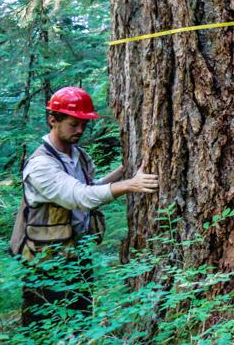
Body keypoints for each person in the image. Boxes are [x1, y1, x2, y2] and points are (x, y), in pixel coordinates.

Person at [10, 86, 159, 327]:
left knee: (80, 323)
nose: (80, 130)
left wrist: (123, 173)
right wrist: (130, 185)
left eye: (84, 124)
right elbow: (79, 197)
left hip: (76, 256)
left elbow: (90, 188)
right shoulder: (41, 165)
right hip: (46, 263)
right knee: (46, 328)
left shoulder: (77, 155)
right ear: (52, 120)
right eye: (73, 124)